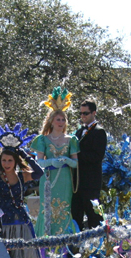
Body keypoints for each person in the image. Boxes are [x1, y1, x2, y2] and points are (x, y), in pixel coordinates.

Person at [32, 87, 79, 237]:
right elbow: (38, 162)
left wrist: (66, 160)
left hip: (65, 178)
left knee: (64, 210)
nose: (61, 122)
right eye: (58, 119)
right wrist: (51, 161)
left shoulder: (72, 140)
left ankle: (62, 247)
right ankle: (45, 244)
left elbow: (75, 163)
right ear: (51, 121)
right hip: (48, 178)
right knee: (46, 210)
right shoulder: (42, 140)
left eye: (63, 119)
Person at [0, 148, 42, 258]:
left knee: (27, 255)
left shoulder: (22, 176)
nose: (6, 164)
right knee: (8, 257)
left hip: (22, 221)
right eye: (4, 160)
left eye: (10, 160)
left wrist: (25, 155)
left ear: (16, 161)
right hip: (5, 223)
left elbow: (39, 173)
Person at [72, 98, 107, 230]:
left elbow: (97, 156)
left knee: (94, 217)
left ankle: (98, 244)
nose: (82, 116)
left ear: (94, 113)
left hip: (91, 184)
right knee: (76, 216)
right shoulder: (79, 131)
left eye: (85, 113)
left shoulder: (99, 132)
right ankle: (76, 246)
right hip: (77, 183)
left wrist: (77, 155)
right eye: (81, 113)